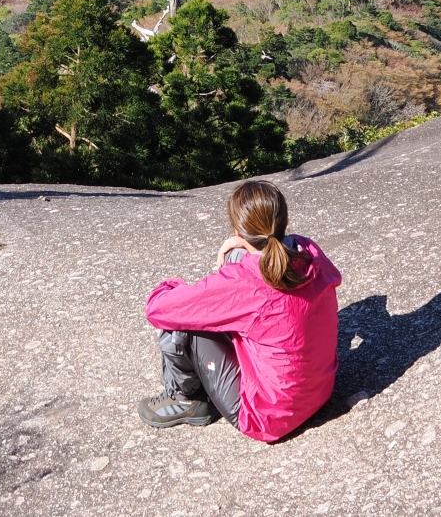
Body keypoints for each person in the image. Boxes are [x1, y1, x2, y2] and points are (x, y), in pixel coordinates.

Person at [138, 179, 342, 441]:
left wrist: (178, 286)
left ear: (237, 232)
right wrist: (237, 258)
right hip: (320, 392)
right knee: (232, 295)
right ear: (286, 221)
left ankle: (186, 399)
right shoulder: (309, 250)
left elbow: (158, 309)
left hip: (268, 417)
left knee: (183, 325)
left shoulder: (245, 282)